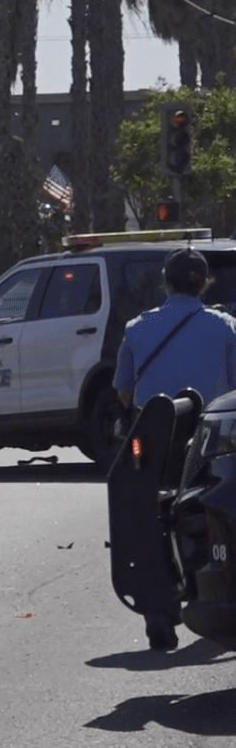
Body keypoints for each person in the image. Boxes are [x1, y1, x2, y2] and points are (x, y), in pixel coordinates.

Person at [112, 246, 236, 651]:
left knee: (151, 518)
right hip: (207, 448)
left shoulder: (136, 328)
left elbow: (125, 392)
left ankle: (159, 615)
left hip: (153, 445)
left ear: (165, 283)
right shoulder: (225, 328)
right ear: (204, 283)